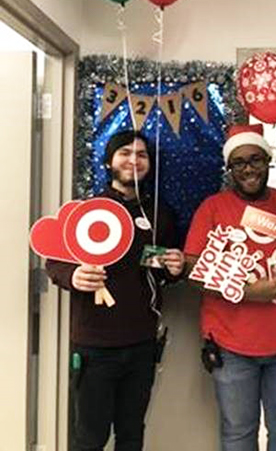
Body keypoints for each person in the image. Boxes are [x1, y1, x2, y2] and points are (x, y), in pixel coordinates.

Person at [184, 124, 276, 451]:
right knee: (238, 437)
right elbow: (194, 272)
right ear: (230, 169)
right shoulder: (213, 208)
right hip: (232, 349)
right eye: (239, 163)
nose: (248, 168)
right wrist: (250, 292)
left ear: (267, 162)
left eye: (255, 160)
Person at [46, 130, 185, 451]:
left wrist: (176, 268)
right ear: (109, 161)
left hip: (142, 344)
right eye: (125, 152)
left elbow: (161, 270)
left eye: (142, 154)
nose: (133, 160)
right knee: (89, 439)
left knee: (131, 436)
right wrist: (74, 274)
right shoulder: (87, 210)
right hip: (95, 346)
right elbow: (55, 264)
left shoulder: (159, 214)